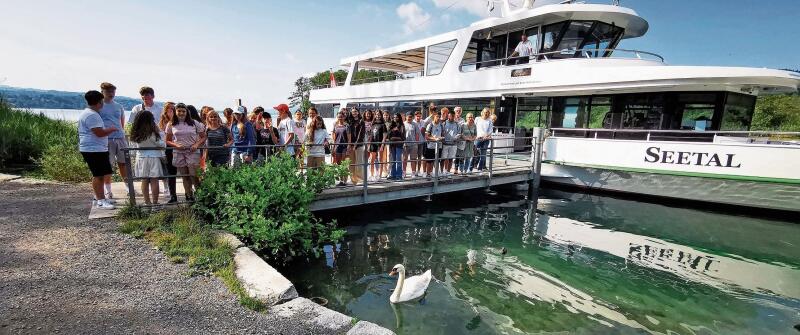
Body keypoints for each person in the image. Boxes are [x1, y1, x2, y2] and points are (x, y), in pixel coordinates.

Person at [79, 90, 118, 209]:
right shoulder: (91, 115)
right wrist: (111, 129)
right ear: (99, 102)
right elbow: (99, 133)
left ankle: (100, 197)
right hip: (93, 149)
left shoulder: (90, 113)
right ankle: (101, 200)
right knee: (98, 175)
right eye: (101, 101)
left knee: (102, 173)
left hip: (97, 149)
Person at [165, 103, 206, 202]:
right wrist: (176, 145)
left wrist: (196, 145)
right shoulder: (171, 124)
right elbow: (167, 140)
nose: (181, 113)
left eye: (183, 111)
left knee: (194, 176)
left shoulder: (194, 123)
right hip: (179, 153)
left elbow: (204, 137)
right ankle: (189, 195)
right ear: (175, 111)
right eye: (179, 111)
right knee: (184, 176)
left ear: (187, 112)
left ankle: (200, 196)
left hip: (192, 152)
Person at [97, 82, 128, 200]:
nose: (111, 94)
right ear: (102, 92)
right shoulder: (99, 106)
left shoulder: (119, 106)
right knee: (108, 166)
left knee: (123, 164)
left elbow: (122, 122)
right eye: (108, 91)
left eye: (113, 91)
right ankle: (108, 191)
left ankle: (128, 187)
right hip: (106, 139)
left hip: (120, 137)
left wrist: (121, 133)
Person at [129, 111, 164, 205]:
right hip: (153, 157)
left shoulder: (136, 132)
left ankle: (147, 202)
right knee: (154, 180)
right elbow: (161, 144)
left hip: (141, 157)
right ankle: (155, 204)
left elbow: (133, 146)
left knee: (144, 180)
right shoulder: (151, 132)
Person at [158, 102, 178, 203]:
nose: (171, 110)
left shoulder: (178, 121)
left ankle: (189, 193)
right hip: (168, 148)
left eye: (173, 109)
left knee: (184, 171)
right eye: (169, 108)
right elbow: (162, 136)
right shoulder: (163, 121)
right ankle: (172, 194)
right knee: (170, 172)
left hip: (178, 147)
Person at [331, 111, 351, 186]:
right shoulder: (335, 126)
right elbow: (334, 138)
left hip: (344, 146)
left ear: (344, 117)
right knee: (339, 164)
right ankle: (341, 180)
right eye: (339, 116)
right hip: (337, 146)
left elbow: (349, 138)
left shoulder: (347, 126)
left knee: (344, 164)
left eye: (341, 116)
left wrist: (349, 146)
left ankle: (345, 180)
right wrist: (333, 147)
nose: (340, 118)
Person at [367, 111, 386, 182]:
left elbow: (384, 136)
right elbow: (371, 136)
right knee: (372, 160)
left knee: (380, 160)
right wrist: (369, 145)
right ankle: (371, 175)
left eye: (379, 115)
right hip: (373, 144)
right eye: (376, 115)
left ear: (381, 116)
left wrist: (382, 145)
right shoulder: (373, 124)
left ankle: (379, 175)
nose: (377, 116)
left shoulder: (383, 125)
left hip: (380, 144)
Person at [348, 108, 366, 185]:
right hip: (351, 145)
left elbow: (360, 134)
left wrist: (356, 144)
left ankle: (360, 179)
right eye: (352, 112)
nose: (354, 113)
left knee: (359, 163)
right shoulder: (350, 121)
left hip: (359, 145)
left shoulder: (361, 121)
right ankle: (353, 179)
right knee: (351, 163)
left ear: (358, 112)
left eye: (355, 111)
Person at [423, 110, 443, 179]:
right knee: (429, 161)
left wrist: (441, 138)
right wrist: (435, 139)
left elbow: (442, 134)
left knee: (437, 160)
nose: (438, 118)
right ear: (434, 117)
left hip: (439, 146)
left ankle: (435, 174)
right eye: (437, 116)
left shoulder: (441, 125)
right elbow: (427, 136)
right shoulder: (430, 125)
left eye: (439, 117)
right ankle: (428, 174)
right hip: (431, 146)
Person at [441, 108, 461, 177]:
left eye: (452, 116)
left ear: (454, 116)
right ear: (448, 116)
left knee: (450, 159)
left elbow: (459, 133)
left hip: (453, 144)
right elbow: (442, 133)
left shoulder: (457, 124)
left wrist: (455, 138)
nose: (450, 117)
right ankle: (442, 171)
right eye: (449, 116)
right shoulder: (444, 123)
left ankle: (448, 172)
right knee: (443, 159)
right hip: (445, 144)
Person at [387, 113, 406, 180]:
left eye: (397, 117)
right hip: (392, 145)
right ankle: (393, 175)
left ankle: (399, 175)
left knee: (398, 160)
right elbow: (388, 136)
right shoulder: (391, 125)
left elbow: (403, 137)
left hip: (399, 145)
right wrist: (392, 130)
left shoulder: (402, 126)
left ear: (399, 118)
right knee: (393, 160)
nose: (395, 118)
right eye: (394, 117)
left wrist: (397, 130)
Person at [475, 107, 494, 172]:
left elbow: (490, 130)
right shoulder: (477, 119)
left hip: (486, 139)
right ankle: (471, 167)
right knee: (474, 153)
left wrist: (486, 136)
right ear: (482, 112)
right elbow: (474, 128)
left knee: (483, 155)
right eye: (485, 112)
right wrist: (475, 136)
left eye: (488, 112)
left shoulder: (490, 120)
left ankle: (480, 169)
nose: (486, 113)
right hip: (478, 138)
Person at [402, 113, 421, 178]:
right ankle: (404, 172)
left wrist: (416, 143)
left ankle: (413, 172)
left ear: (412, 118)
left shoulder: (415, 124)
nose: (409, 118)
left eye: (410, 117)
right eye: (408, 117)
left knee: (413, 159)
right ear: (406, 117)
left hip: (413, 144)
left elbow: (417, 134)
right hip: (405, 144)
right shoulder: (403, 124)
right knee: (404, 159)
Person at [453, 106, 466, 175]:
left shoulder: (462, 120)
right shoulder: (452, 118)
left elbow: (463, 129)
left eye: (459, 111)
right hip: (452, 140)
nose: (458, 112)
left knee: (459, 155)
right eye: (457, 110)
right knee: (452, 155)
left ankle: (457, 169)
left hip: (460, 140)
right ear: (454, 111)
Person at [413, 110, 425, 177]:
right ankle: (414, 171)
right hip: (414, 142)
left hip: (421, 142)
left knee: (420, 156)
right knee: (414, 157)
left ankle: (418, 170)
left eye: (419, 116)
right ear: (415, 116)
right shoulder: (413, 122)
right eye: (417, 116)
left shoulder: (423, 122)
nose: (418, 118)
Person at [380, 110, 391, 177]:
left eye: (387, 115)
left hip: (389, 142)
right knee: (383, 158)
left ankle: (389, 171)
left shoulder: (391, 123)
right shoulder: (381, 123)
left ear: (389, 115)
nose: (385, 116)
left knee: (389, 157)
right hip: (382, 143)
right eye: (384, 115)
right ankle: (384, 171)